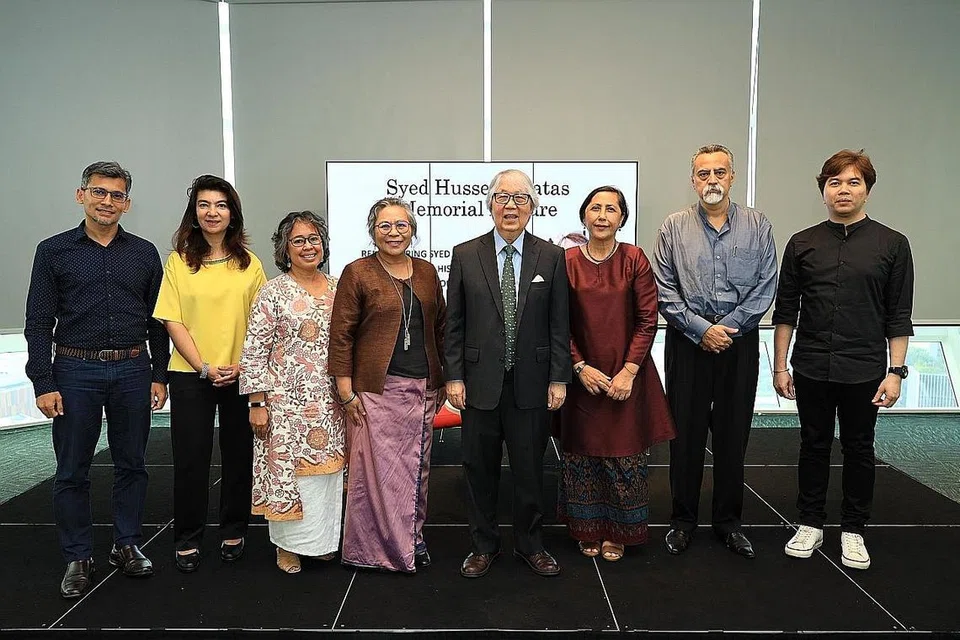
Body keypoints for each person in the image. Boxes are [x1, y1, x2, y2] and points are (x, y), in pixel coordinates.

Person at [25, 161, 170, 598]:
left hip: (132, 369)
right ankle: (77, 555)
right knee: (72, 470)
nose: (108, 201)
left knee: (133, 464)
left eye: (117, 195)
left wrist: (158, 375)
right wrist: (43, 381)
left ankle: (126, 545)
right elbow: (37, 321)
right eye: (99, 192)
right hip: (74, 371)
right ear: (81, 195)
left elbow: (157, 322)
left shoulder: (144, 253)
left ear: (127, 203)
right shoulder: (53, 251)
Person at [773, 150, 914, 570]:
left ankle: (853, 530)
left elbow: (898, 315)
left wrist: (896, 372)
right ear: (823, 191)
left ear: (867, 190)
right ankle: (810, 523)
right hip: (811, 364)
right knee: (813, 445)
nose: (843, 190)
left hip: (865, 369)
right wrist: (781, 366)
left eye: (853, 182)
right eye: (835, 182)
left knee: (859, 448)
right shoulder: (802, 243)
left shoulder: (892, 244)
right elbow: (785, 311)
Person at [445, 169, 571, 578]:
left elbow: (559, 324)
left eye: (520, 198)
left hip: (532, 385)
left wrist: (558, 377)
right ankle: (483, 545)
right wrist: (455, 376)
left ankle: (530, 545)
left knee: (529, 471)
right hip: (479, 384)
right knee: (478, 469)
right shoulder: (465, 254)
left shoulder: (552, 257)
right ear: (490, 204)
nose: (511, 205)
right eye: (502, 197)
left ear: (533, 207)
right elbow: (455, 324)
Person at [653, 144, 777, 559]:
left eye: (719, 172)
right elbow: (664, 291)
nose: (712, 180)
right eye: (703, 173)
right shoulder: (673, 227)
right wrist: (703, 330)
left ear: (732, 176)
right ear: (693, 180)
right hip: (687, 345)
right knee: (684, 438)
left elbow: (765, 287)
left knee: (732, 437)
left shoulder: (758, 225)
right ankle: (682, 521)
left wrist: (729, 328)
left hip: (738, 346)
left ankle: (728, 523)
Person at [153, 175, 266, 573]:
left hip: (242, 373)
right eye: (204, 205)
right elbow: (172, 320)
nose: (212, 212)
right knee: (190, 460)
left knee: (239, 457)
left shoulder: (249, 264)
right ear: (194, 213)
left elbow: (261, 322)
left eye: (221, 205)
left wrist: (241, 366)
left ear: (232, 213)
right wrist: (203, 366)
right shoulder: (178, 260)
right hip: (190, 374)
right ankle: (187, 538)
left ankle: (234, 530)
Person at [558, 186, 676, 562]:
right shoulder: (567, 262)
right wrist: (578, 366)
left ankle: (620, 532)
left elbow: (647, 319)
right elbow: (558, 324)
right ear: (584, 216)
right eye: (596, 208)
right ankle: (587, 530)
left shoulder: (635, 259)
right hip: (582, 379)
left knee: (624, 458)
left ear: (622, 218)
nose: (603, 215)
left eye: (612, 208)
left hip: (629, 376)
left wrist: (628, 371)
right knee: (582, 458)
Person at [329, 197, 446, 573]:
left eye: (401, 225)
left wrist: (443, 376)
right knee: (374, 474)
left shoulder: (427, 272)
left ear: (412, 230)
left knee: (416, 470)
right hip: (374, 390)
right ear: (372, 231)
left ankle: (413, 540)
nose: (393, 232)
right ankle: (371, 550)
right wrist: (345, 389)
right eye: (385, 226)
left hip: (423, 386)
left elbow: (440, 327)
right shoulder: (357, 272)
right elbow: (341, 335)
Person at [239, 212, 345, 574]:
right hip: (283, 404)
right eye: (298, 240)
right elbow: (254, 350)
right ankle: (287, 547)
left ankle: (321, 543)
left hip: (331, 402)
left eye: (313, 239)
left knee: (326, 477)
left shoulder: (338, 287)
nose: (307, 246)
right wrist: (257, 402)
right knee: (288, 475)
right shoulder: (271, 292)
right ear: (285, 247)